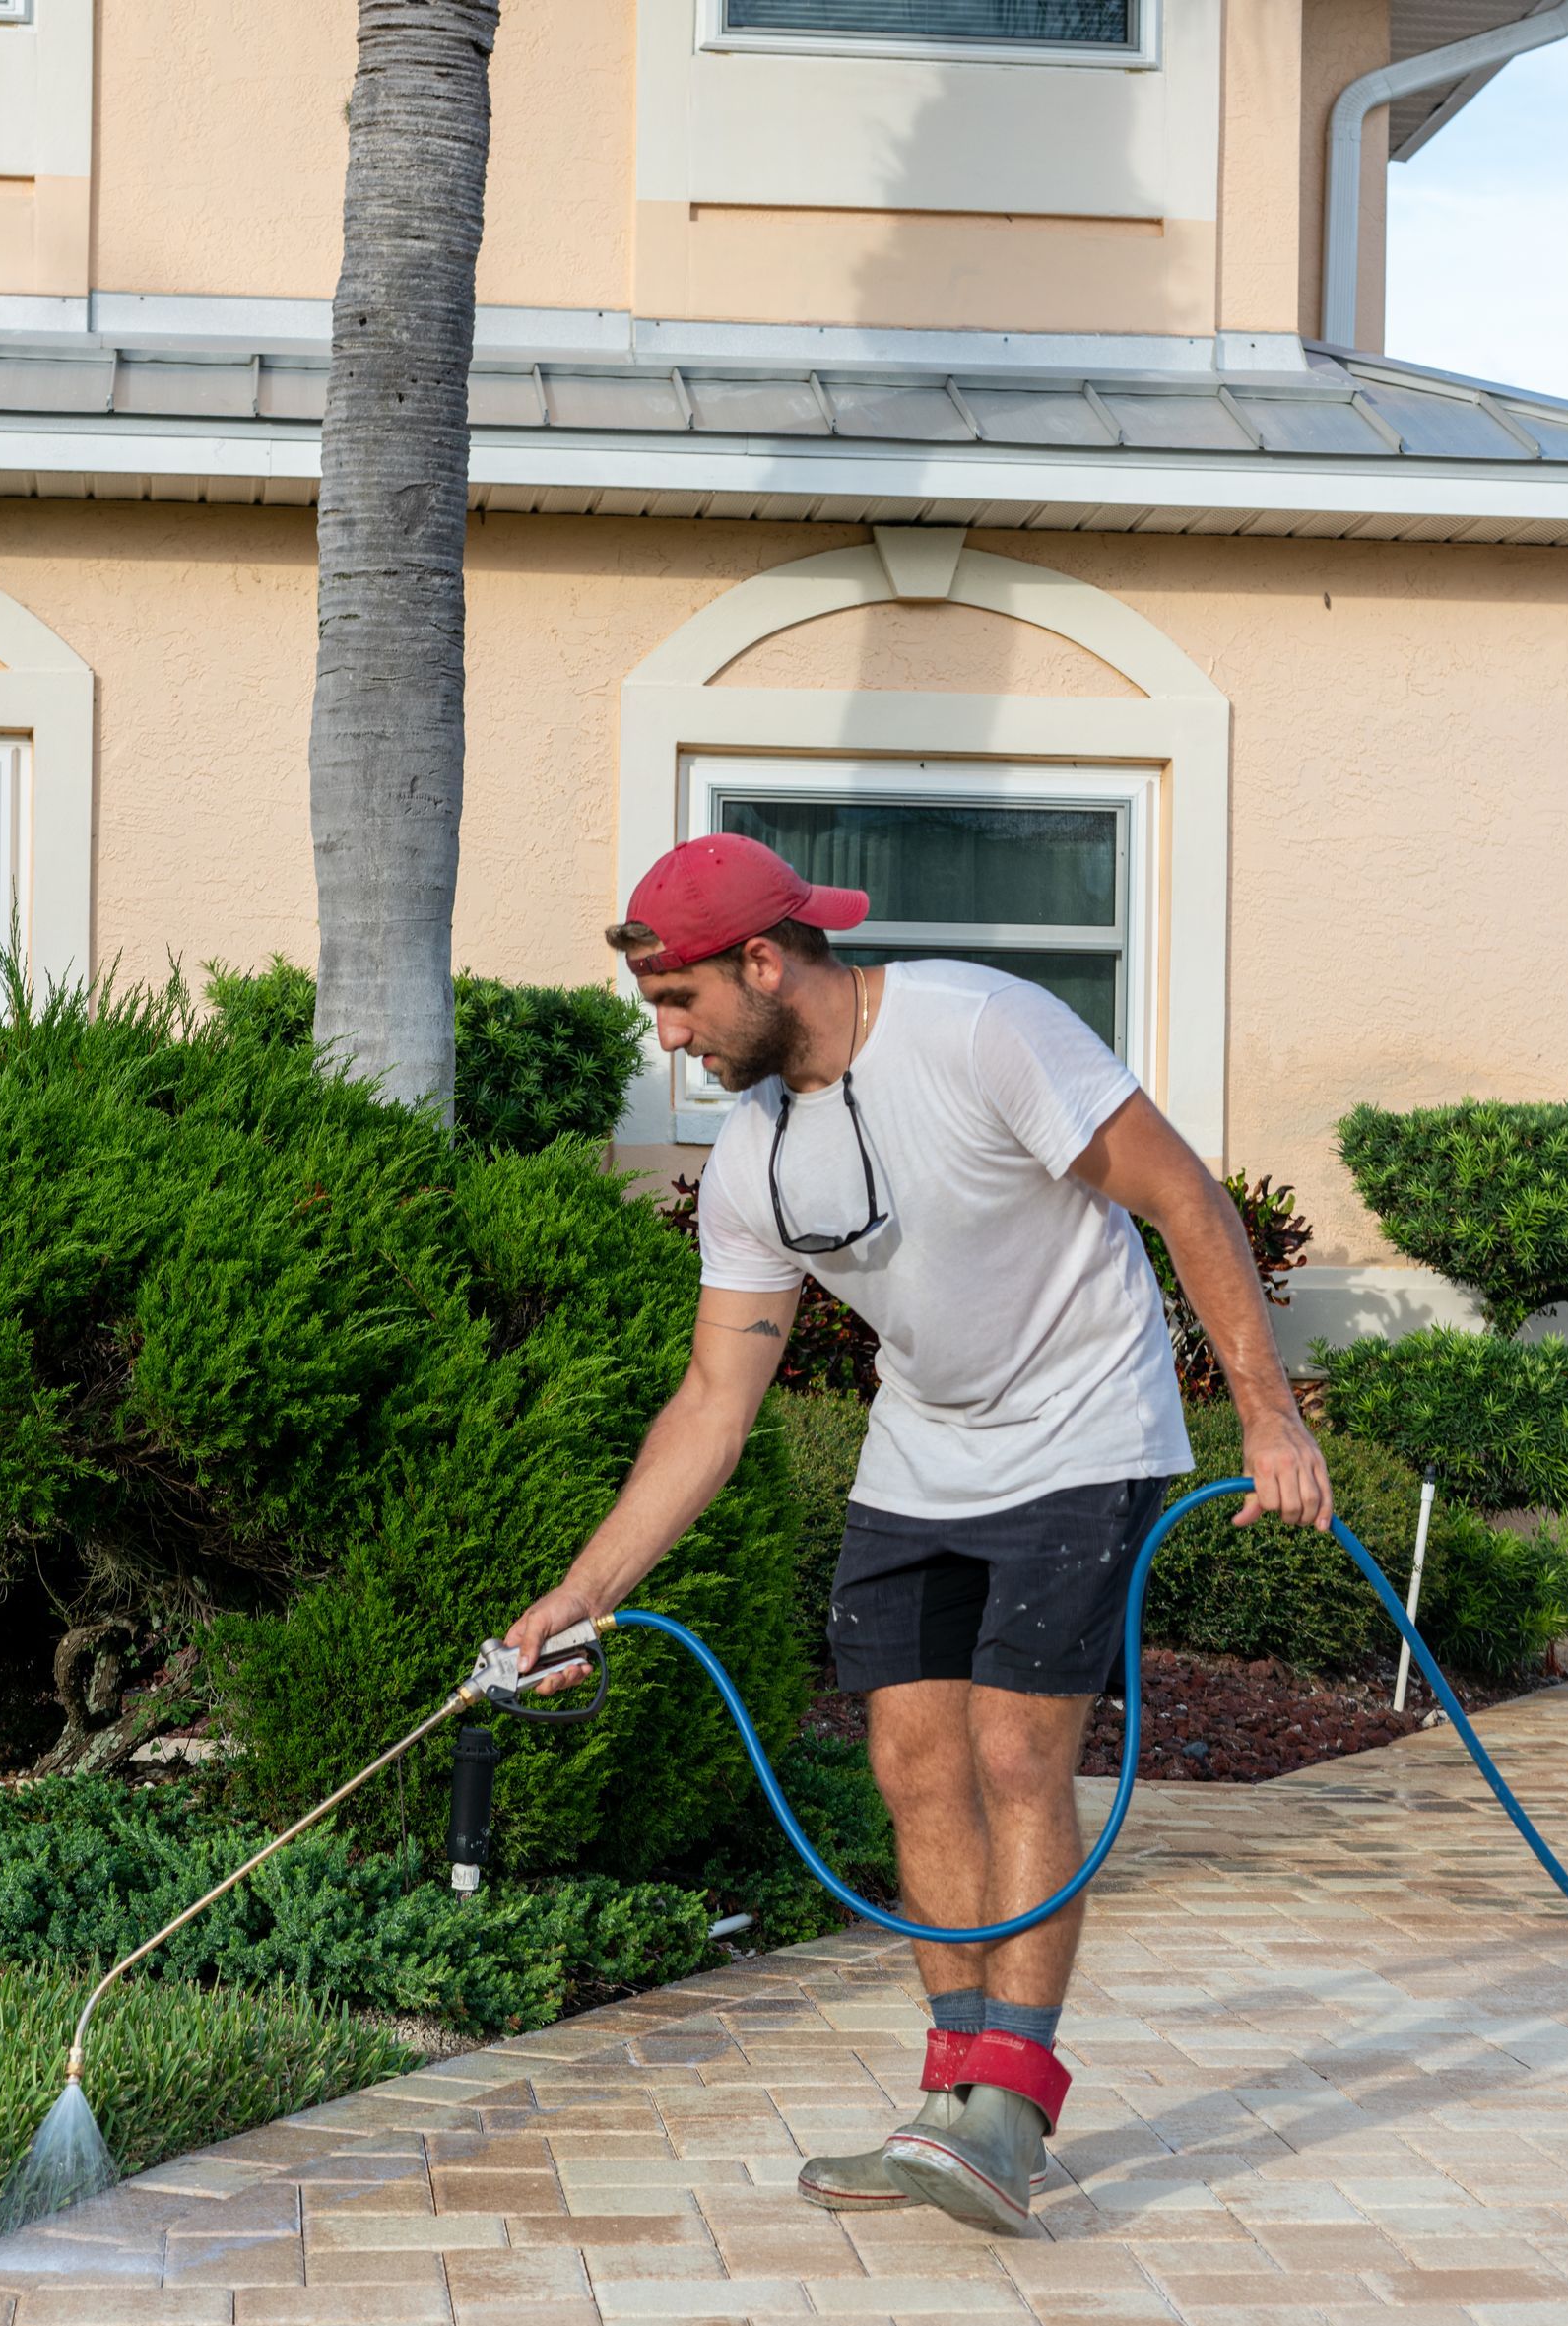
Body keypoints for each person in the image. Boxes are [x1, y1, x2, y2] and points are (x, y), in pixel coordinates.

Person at [507, 831, 1331, 2238]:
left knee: (1016, 1753)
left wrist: (1270, 1415)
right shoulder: (756, 1156)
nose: (670, 1038)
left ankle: (1013, 2107)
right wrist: (584, 1591)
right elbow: (714, 1400)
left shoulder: (980, 1029)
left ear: (764, 963)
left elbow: (1182, 1195)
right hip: (924, 1448)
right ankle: (952, 2097)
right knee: (909, 1762)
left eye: (681, 1002)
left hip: (1084, 1425)